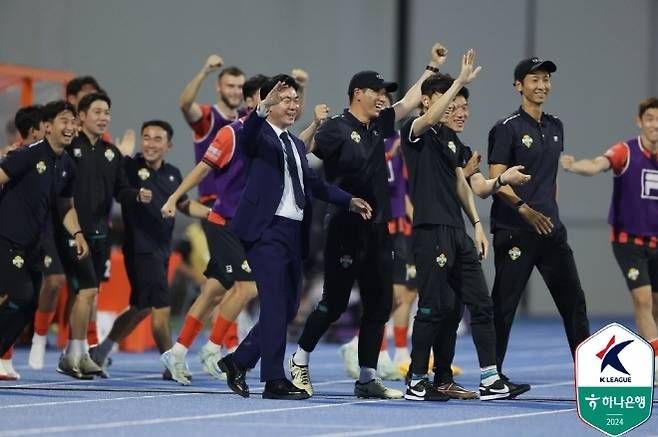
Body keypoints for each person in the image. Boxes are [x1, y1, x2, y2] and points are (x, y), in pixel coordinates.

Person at [289, 42, 449, 400]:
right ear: (358, 93)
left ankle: (366, 378)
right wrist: (314, 123)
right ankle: (299, 360)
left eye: (383, 92)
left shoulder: (380, 125)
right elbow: (297, 154)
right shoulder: (334, 129)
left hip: (379, 229)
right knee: (333, 304)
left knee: (379, 306)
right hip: (344, 227)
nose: (382, 97)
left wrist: (432, 68)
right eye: (377, 91)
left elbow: (409, 101)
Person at [217, 75, 372, 400]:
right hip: (265, 231)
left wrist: (348, 200)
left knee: (287, 309)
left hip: (291, 233)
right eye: (285, 99)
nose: (292, 105)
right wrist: (261, 108)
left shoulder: (293, 143)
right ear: (269, 103)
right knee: (274, 306)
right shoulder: (258, 136)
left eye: (294, 100)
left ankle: (238, 361)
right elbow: (246, 137)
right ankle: (273, 380)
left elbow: (314, 183)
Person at [402, 51, 533, 402]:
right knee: (432, 307)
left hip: (457, 232)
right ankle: (417, 379)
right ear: (430, 101)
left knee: (477, 303)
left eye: (464, 107)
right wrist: (458, 79)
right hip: (431, 230)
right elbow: (428, 116)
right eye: (454, 105)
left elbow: (471, 185)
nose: (459, 112)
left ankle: (489, 379)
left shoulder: (454, 144)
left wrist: (497, 185)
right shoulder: (415, 133)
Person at [487, 57, 590, 375]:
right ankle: (492, 375)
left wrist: (550, 214)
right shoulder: (506, 129)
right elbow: (496, 181)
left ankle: (589, 374)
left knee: (574, 303)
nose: (542, 85)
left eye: (546, 79)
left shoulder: (556, 125)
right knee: (503, 307)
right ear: (519, 86)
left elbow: (551, 179)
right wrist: (524, 210)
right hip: (515, 229)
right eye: (534, 79)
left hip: (550, 231)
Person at [89, 120, 209, 376]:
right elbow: (108, 180)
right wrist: (119, 156)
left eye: (157, 139)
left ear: (168, 145)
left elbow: (184, 204)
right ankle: (171, 364)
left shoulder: (174, 173)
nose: (150, 143)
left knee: (140, 307)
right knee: (160, 309)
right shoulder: (130, 166)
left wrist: (213, 214)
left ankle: (100, 351)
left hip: (163, 250)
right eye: (147, 137)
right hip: (141, 249)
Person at [560, 97, 658, 381]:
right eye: (649, 118)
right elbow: (597, 164)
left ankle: (651, 349)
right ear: (640, 122)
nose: (654, 124)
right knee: (642, 300)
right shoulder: (625, 151)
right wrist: (575, 166)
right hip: (628, 241)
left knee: (655, 303)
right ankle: (652, 362)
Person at [55, 92, 151, 379]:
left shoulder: (111, 153)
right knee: (85, 292)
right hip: (73, 232)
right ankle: (75, 353)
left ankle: (75, 353)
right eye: (97, 111)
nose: (103, 117)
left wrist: (136, 195)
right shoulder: (70, 150)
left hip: (100, 234)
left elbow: (120, 190)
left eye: (106, 112)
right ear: (81, 116)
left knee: (87, 294)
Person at [0, 100, 88, 360]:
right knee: (21, 294)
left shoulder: (68, 165)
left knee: (30, 306)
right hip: (7, 239)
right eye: (64, 120)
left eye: (73, 122)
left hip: (33, 246)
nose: (71, 127)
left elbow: (65, 207)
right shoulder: (28, 154)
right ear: (47, 127)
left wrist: (78, 234)